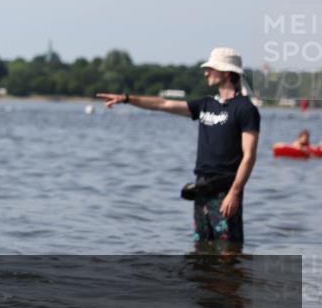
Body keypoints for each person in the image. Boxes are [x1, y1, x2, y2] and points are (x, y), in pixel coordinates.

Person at [97, 47, 260, 245]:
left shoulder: (245, 109)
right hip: (201, 188)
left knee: (228, 252)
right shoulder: (206, 105)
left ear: (226, 72)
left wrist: (234, 193)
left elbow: (249, 155)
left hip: (226, 191)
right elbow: (163, 104)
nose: (206, 72)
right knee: (201, 249)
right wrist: (127, 99)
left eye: (211, 68)